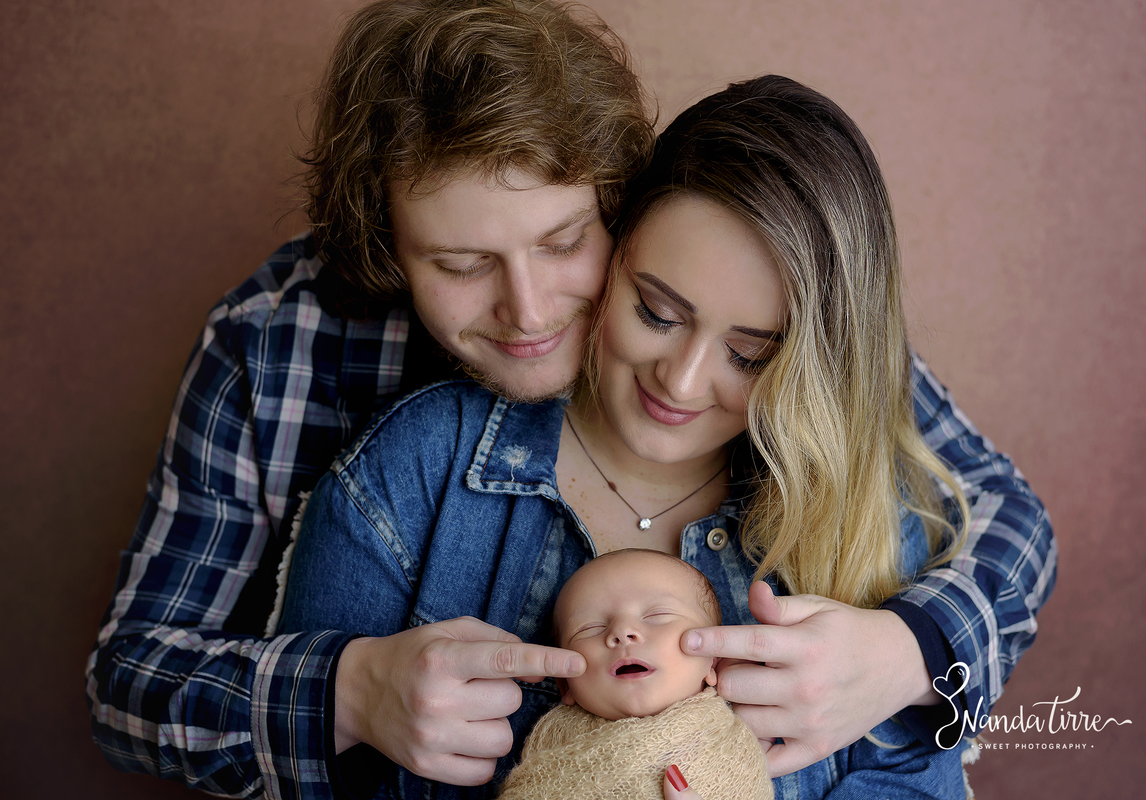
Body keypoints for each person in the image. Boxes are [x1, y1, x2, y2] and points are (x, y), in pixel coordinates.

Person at [85, 0, 1055, 797]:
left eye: (562, 244)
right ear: (386, 246)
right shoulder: (286, 348)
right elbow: (131, 675)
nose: (531, 310)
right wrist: (350, 688)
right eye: (462, 264)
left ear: (618, 202)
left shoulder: (751, 299)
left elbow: (1004, 516)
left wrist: (909, 648)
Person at [495, 548, 772, 800]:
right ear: (565, 684)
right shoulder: (548, 745)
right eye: (589, 628)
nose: (622, 632)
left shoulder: (734, 751)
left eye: (657, 614)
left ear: (711, 663)